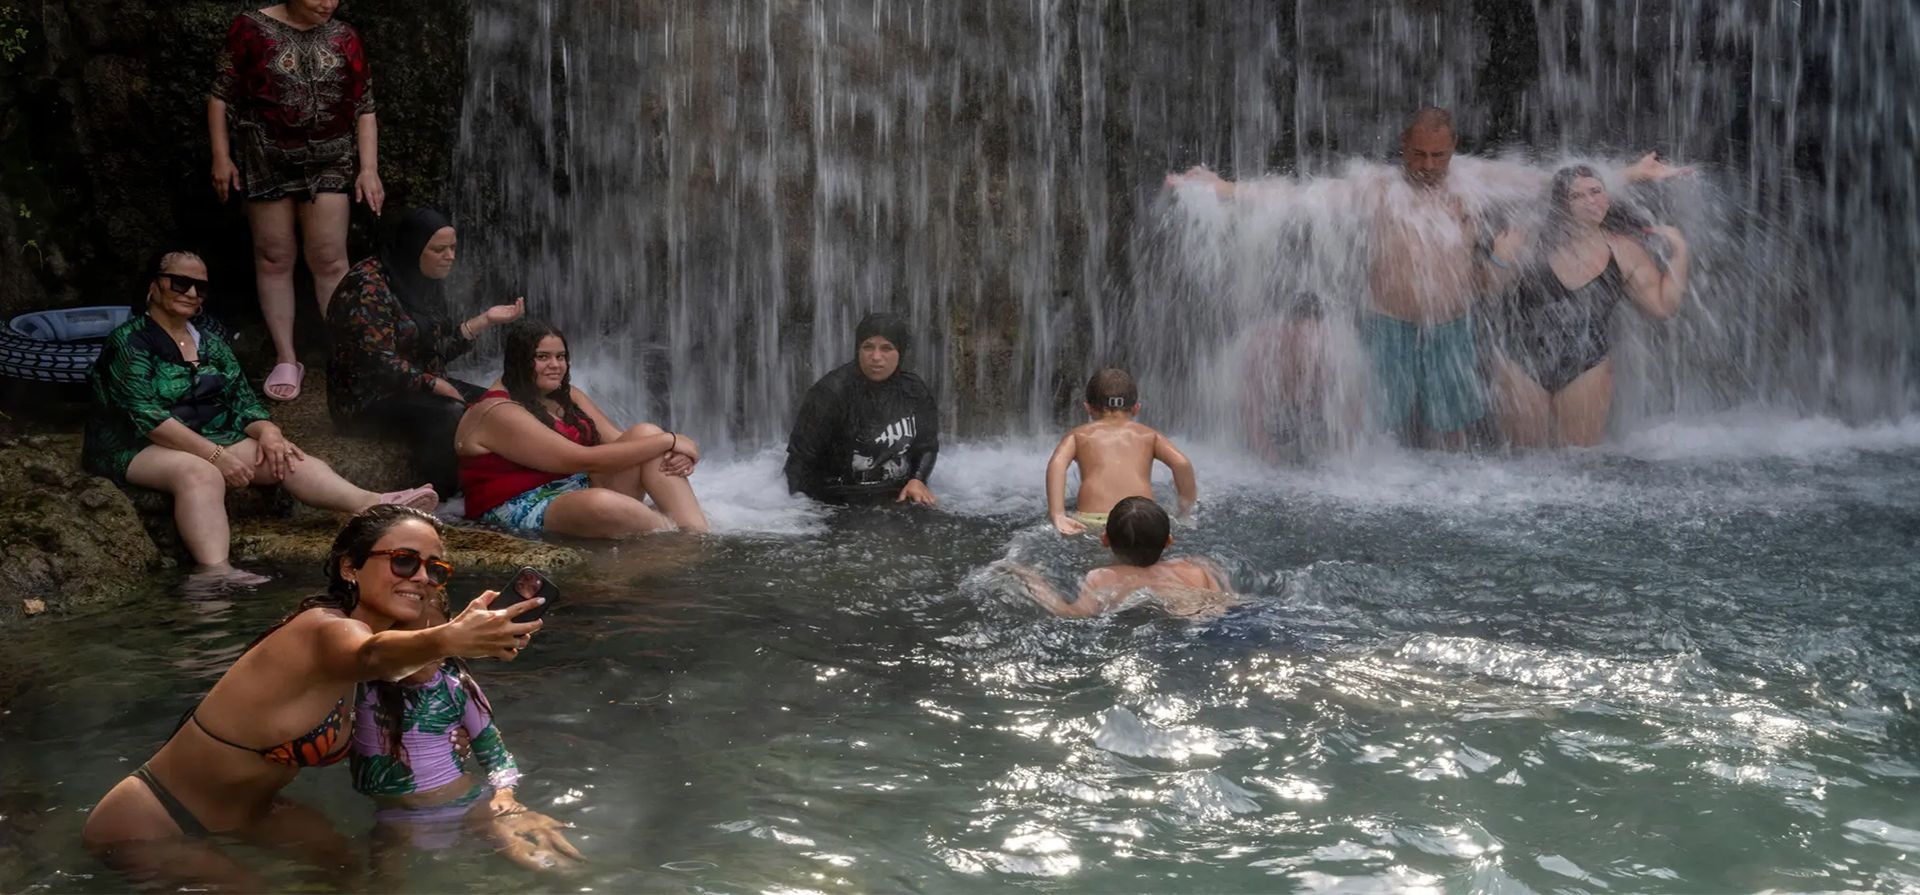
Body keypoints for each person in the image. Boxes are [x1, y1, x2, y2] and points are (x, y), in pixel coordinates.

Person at [1167, 107, 1691, 449]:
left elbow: (1553, 184)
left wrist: (1630, 174)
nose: (1427, 163)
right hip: (1387, 324)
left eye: (1438, 155)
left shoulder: (1475, 181)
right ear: (1404, 146)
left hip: (1452, 324)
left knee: (1453, 433)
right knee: (1381, 428)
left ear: (1453, 149)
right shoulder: (1375, 188)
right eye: (1418, 153)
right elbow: (1301, 195)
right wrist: (1227, 190)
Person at [81, 505, 545, 891]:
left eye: (436, 568)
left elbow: (402, 701)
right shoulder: (322, 630)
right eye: (404, 561)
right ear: (350, 566)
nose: (423, 577)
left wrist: (474, 774)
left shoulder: (377, 665)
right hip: (154, 824)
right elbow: (368, 654)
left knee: (347, 875)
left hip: (256, 814)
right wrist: (450, 639)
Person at [82, 249, 439, 591]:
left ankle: (371, 502)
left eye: (200, 287)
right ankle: (215, 571)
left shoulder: (212, 344)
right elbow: (147, 416)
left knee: (285, 456)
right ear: (153, 284)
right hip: (135, 444)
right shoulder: (128, 343)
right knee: (199, 473)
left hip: (210, 433)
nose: (191, 293)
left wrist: (269, 432)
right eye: (179, 283)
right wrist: (216, 456)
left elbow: (244, 403)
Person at [210, 0, 384, 401]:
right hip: (264, 157)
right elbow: (221, 97)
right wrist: (222, 157)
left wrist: (369, 168)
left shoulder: (345, 36)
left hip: (331, 158)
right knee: (273, 256)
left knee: (330, 258)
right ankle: (287, 356)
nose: (327, 2)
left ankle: (346, 354)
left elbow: (365, 106)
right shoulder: (249, 28)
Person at [352, 594, 583, 874]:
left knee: (544, 863)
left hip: (465, 807)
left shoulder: (456, 689)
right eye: (417, 644)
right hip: (393, 817)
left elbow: (496, 755)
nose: (428, 656)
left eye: (437, 642)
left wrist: (505, 796)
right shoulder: (359, 685)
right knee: (380, 885)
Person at [1485, 165, 1692, 446]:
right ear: (1561, 204)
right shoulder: (1530, 241)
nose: (1591, 201)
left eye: (1596, 192)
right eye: (1577, 196)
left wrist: (1680, 252)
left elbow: (1660, 307)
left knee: (1577, 464)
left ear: (1607, 197)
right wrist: (1500, 258)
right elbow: (1489, 292)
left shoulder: (1625, 251)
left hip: (1587, 366)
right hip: (1521, 361)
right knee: (1524, 464)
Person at [326, 209, 525, 498]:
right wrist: (433, 383)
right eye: (439, 249)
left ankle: (518, 482)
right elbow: (377, 360)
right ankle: (447, 500)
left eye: (453, 248)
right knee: (447, 414)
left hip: (415, 385)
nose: (450, 256)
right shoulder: (367, 286)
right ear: (413, 248)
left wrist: (484, 321)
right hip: (366, 399)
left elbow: (436, 350)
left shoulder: (424, 280)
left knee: (498, 405)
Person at [455, 320, 709, 537]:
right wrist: (670, 441)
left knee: (646, 433)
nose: (555, 365)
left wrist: (684, 447)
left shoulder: (567, 395)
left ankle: (696, 530)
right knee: (601, 503)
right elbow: (579, 459)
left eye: (561, 356)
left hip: (577, 488)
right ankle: (679, 533)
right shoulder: (498, 411)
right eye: (542, 357)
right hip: (523, 504)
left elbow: (623, 443)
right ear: (518, 362)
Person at [784, 312, 940, 506]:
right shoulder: (829, 393)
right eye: (868, 347)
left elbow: (927, 446)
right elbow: (800, 460)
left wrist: (918, 479)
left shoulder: (914, 390)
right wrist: (799, 510)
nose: (876, 357)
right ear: (858, 349)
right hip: (838, 498)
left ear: (900, 351)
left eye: (886, 348)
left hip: (898, 493)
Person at [1009, 497, 1232, 619]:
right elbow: (1227, 601)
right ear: (1169, 541)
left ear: (1105, 539)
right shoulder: (1196, 566)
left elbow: (1072, 614)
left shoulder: (1102, 578)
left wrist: (1028, 578)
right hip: (1221, 622)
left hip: (1169, 630)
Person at [1045, 368, 1197, 535]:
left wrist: (1058, 514)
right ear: (1136, 408)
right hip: (1141, 518)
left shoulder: (1078, 435)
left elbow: (1057, 464)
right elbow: (1181, 463)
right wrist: (1184, 512)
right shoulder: (1149, 435)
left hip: (1092, 520)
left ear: (1088, 408)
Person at [1239, 293, 1368, 462]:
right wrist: (1268, 456)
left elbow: (1352, 407)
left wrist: (1347, 455)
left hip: (1312, 417)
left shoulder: (1330, 352)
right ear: (1288, 328)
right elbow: (1249, 409)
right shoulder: (1265, 352)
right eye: (1303, 335)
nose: (1309, 344)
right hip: (1275, 414)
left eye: (1315, 334)